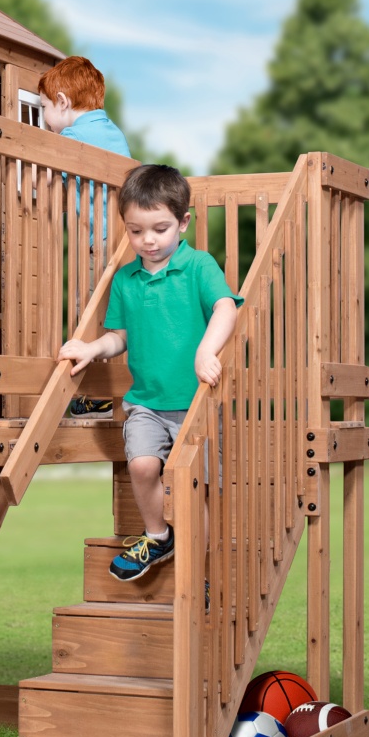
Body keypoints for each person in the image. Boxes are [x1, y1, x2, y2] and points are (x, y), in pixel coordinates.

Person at [58, 165, 241, 582]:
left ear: (183, 222)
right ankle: (158, 536)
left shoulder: (198, 266)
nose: (148, 241)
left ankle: (200, 576)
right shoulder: (126, 279)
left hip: (197, 404)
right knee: (142, 466)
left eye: (159, 229)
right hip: (147, 403)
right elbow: (119, 336)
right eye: (136, 231)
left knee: (196, 492)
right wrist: (91, 347)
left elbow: (225, 308)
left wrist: (206, 351)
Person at [38, 56, 132, 418]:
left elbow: (47, 178)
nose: (45, 118)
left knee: (86, 311)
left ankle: (94, 394)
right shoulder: (113, 132)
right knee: (116, 316)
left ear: (62, 102)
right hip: (125, 240)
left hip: (100, 243)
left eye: (44, 108)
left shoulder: (73, 136)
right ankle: (114, 389)